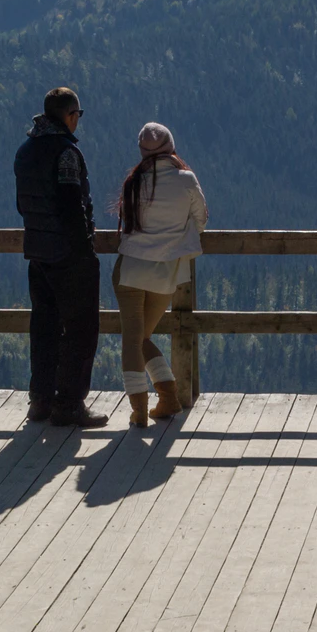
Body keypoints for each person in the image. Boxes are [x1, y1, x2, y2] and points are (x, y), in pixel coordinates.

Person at [12, 87, 106, 428]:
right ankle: (68, 404)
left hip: (37, 253)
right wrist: (85, 252)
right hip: (68, 255)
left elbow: (22, 205)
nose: (78, 121)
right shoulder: (66, 152)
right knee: (81, 330)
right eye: (77, 115)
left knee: (45, 326)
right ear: (69, 115)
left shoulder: (25, 151)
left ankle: (40, 400)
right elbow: (71, 206)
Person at [111, 122, 208, 427]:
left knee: (133, 339)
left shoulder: (134, 181)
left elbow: (127, 222)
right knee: (142, 337)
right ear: (171, 147)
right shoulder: (186, 179)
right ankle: (167, 398)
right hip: (166, 271)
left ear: (142, 151)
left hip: (130, 269)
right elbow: (201, 220)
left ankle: (140, 410)